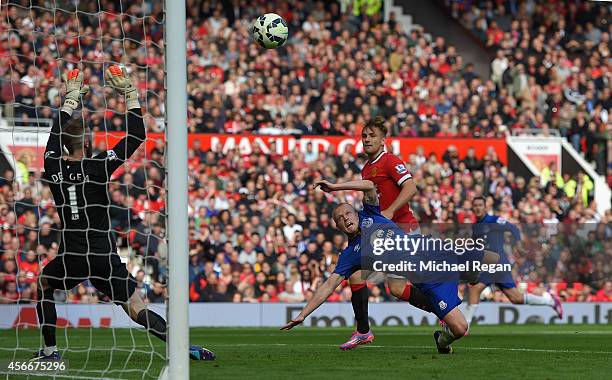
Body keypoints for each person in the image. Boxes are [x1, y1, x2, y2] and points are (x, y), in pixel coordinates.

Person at [33, 66, 214, 361]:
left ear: (63, 145)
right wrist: (129, 93)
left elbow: (53, 138)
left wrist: (70, 99)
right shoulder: (98, 165)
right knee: (136, 306)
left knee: (44, 283)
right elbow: (137, 135)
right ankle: (183, 350)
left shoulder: (52, 166)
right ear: (89, 144)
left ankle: (51, 350)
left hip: (73, 256)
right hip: (104, 255)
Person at [281, 179, 499, 354]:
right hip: (429, 281)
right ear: (337, 226)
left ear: (356, 213)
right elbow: (329, 285)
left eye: (347, 213)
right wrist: (303, 314)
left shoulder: (371, 214)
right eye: (340, 218)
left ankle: (470, 277)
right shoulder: (350, 255)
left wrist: (336, 187)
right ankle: (441, 340)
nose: (345, 218)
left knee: (493, 259)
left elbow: (368, 185)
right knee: (460, 329)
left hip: (437, 250)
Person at [340, 116, 433, 350]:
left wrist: (390, 211)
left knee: (395, 287)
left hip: (403, 228)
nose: (367, 139)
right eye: (364, 136)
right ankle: (363, 331)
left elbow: (411, 187)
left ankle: (442, 309)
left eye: (372, 135)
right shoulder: (366, 169)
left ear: (383, 140)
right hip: (383, 233)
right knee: (368, 280)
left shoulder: (390, 161)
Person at [464, 196, 563, 327]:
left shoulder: (494, 220)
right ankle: (549, 301)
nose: (477, 208)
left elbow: (513, 228)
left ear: (485, 207)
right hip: (491, 264)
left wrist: (518, 244)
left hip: (497, 263)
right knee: (516, 298)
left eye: (480, 205)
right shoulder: (476, 227)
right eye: (475, 205)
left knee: (474, 288)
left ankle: (464, 325)